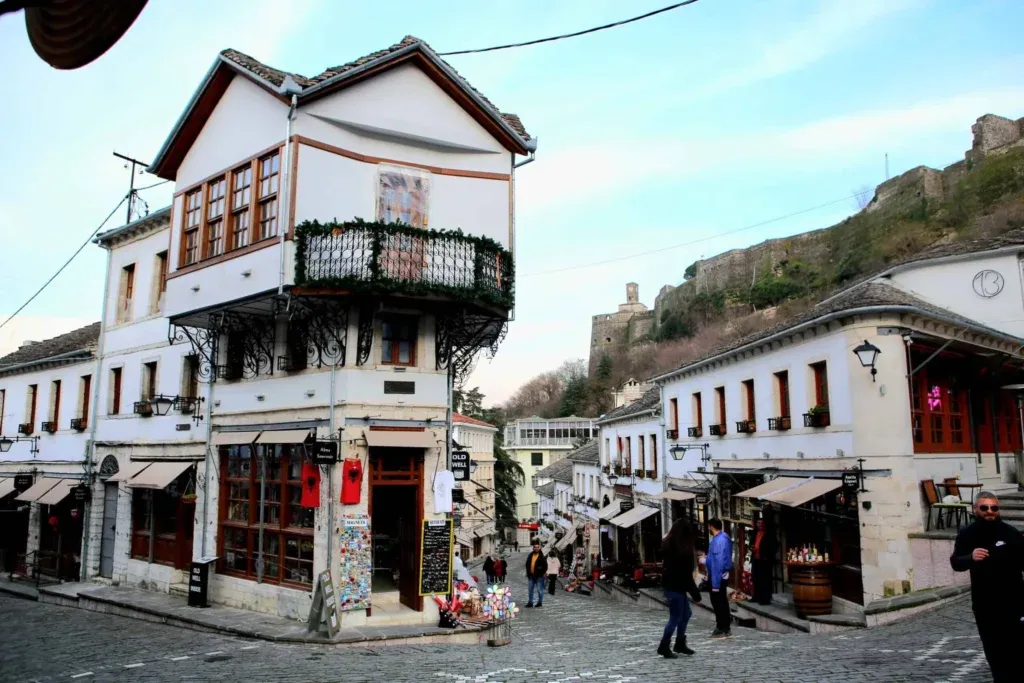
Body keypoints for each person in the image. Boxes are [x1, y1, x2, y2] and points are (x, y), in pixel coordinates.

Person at [950, 491, 1024, 682]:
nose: (989, 511)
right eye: (984, 507)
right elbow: (956, 563)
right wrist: (971, 557)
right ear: (976, 509)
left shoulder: (1011, 533)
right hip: (985, 604)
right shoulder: (967, 534)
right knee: (994, 650)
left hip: (1014, 602)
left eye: (994, 507)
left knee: (1017, 650)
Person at [657, 519, 702, 658]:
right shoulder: (683, 550)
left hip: (672, 586)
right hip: (675, 587)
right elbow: (686, 575)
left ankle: (680, 643)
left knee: (685, 614)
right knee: (675, 617)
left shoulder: (669, 544)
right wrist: (696, 595)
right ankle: (664, 646)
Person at [706, 518, 733, 638]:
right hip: (718, 574)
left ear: (711, 526)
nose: (708, 528)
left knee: (718, 602)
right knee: (721, 601)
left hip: (717, 576)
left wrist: (715, 584)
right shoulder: (722, 537)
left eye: (709, 526)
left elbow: (718, 562)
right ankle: (724, 626)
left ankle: (722, 626)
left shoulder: (719, 540)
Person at [750, 517, 775, 606]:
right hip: (756, 558)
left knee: (764, 580)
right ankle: (756, 596)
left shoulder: (769, 534)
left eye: (762, 523)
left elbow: (773, 546)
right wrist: (752, 548)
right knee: (755, 578)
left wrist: (767, 556)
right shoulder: (755, 533)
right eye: (759, 523)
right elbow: (751, 543)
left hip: (764, 560)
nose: (760, 525)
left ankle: (765, 599)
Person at [524, 541, 548, 607]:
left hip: (539, 576)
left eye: (537, 547)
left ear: (539, 548)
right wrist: (528, 572)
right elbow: (527, 564)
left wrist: (540, 570)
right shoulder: (530, 555)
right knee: (530, 590)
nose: (536, 548)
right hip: (531, 576)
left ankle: (540, 602)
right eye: (535, 547)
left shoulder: (541, 556)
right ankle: (530, 602)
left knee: (540, 590)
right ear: (533, 548)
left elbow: (545, 566)